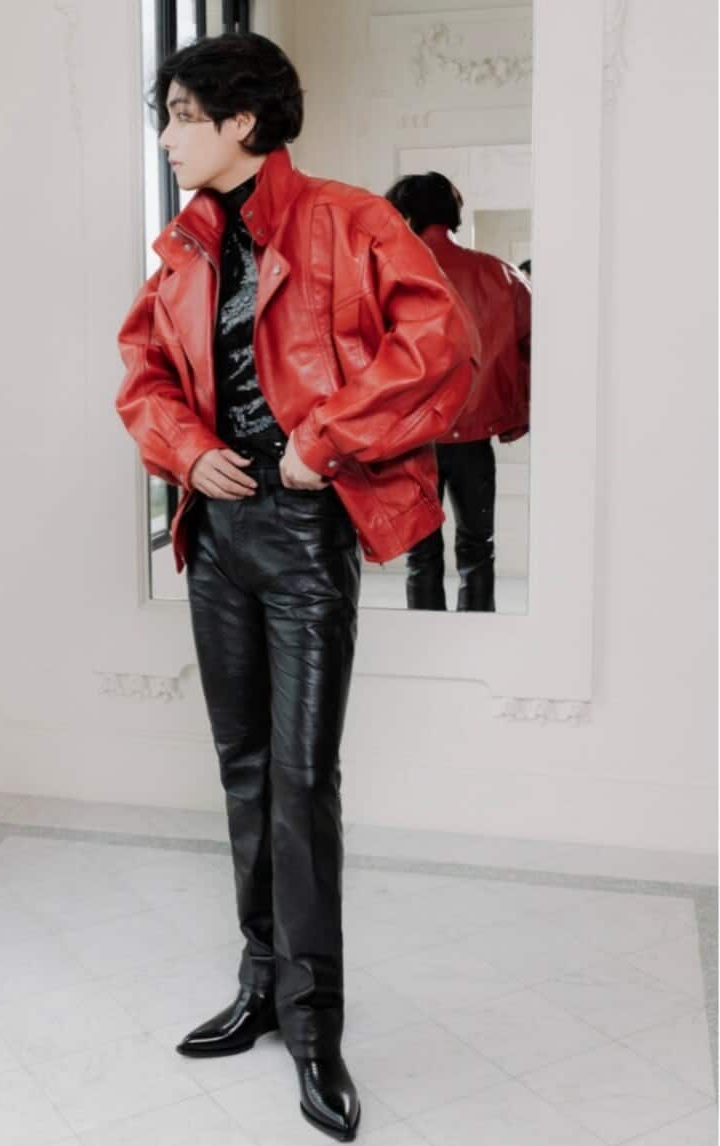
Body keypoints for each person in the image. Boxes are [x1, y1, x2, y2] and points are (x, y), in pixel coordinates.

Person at [115, 33, 477, 1142]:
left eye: (182, 116)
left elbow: (439, 346)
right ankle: (262, 985)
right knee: (242, 769)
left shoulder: (348, 220)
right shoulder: (184, 247)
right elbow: (142, 376)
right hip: (217, 534)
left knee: (302, 778)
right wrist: (187, 451)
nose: (167, 137)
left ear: (242, 121)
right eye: (167, 116)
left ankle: (316, 1023)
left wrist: (325, 439)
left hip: (307, 534)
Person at [385, 172, 532, 612]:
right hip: (474, 440)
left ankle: (426, 640)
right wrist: (514, 411)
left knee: (421, 556)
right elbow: (535, 348)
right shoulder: (501, 274)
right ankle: (479, 636)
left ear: (404, 216)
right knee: (478, 549)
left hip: (413, 441)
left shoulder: (389, 275)